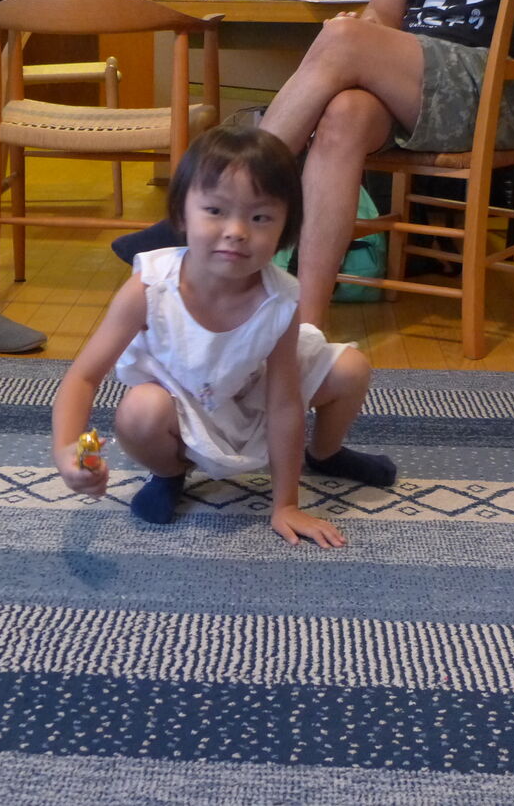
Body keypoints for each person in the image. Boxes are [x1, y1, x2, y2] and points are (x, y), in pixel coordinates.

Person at [114, 0, 514, 329]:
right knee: (345, 114)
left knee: (342, 42)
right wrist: (361, 32)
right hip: (415, 86)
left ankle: (212, 206)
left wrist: (349, 42)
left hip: (500, 94)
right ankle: (306, 328)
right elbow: (385, 16)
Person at [54, 125, 395, 548]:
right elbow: (84, 377)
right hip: (179, 402)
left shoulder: (281, 300)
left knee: (351, 368)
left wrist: (286, 504)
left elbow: (284, 402)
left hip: (250, 391)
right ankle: (169, 473)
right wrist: (66, 449)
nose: (236, 230)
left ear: (286, 229)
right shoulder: (150, 286)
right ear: (181, 214)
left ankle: (325, 454)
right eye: (215, 210)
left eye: (260, 217)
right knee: (139, 411)